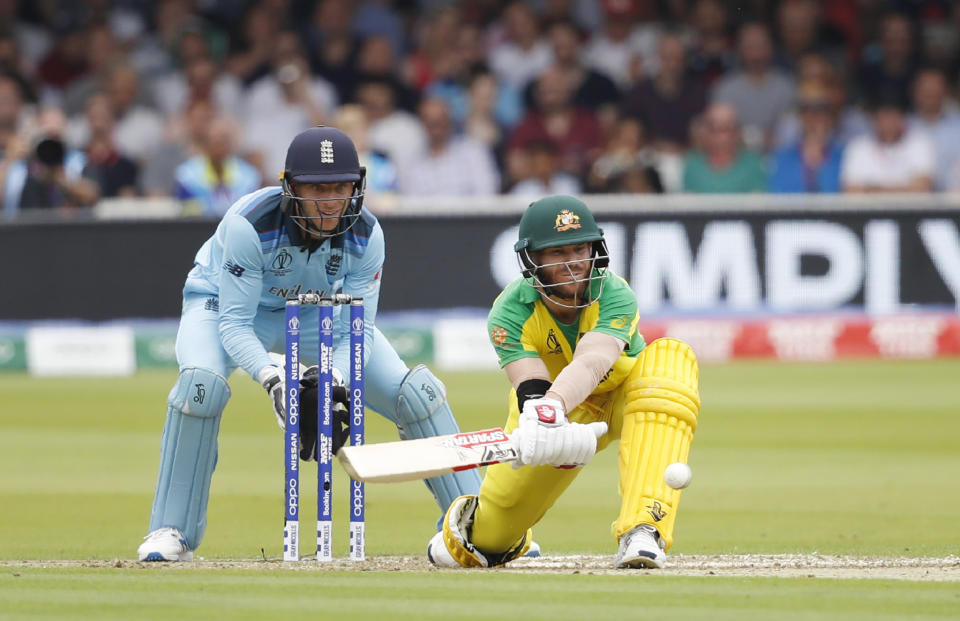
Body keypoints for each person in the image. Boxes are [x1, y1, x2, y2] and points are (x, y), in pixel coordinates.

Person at [137, 126, 482, 561]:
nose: (330, 201)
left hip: (318, 314)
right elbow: (235, 324)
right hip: (224, 306)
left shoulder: (367, 235)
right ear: (290, 186)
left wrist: (330, 378)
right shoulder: (250, 224)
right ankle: (171, 531)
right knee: (199, 388)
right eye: (317, 188)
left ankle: (481, 526)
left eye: (340, 187)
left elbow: (354, 330)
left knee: (416, 393)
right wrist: (274, 379)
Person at [427, 195, 701, 569]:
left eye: (579, 248)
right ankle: (480, 534)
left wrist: (551, 404)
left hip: (623, 395)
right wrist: (543, 416)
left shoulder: (614, 293)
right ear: (532, 260)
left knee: (670, 360)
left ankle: (643, 530)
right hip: (556, 414)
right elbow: (529, 383)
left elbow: (591, 362)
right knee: (488, 542)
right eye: (556, 253)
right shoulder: (510, 311)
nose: (573, 261)